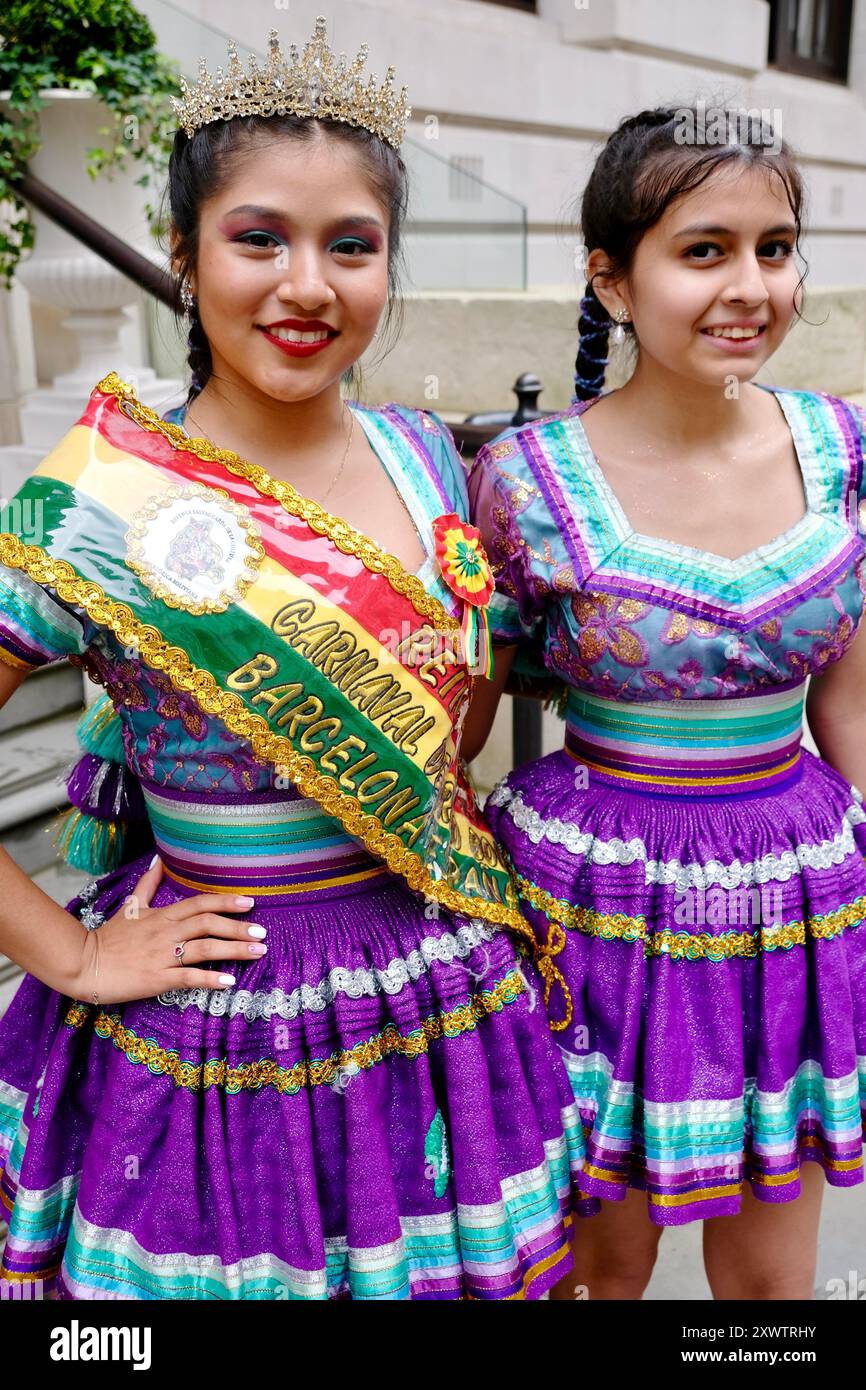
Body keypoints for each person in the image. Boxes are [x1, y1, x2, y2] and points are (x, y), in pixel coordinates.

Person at [0, 19, 584, 1301]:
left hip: (429, 993)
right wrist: (70, 953)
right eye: (257, 237)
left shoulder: (432, 462)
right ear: (181, 255)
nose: (306, 285)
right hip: (212, 1010)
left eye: (350, 245)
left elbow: (458, 709)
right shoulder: (95, 495)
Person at [465, 105, 866, 1301]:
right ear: (612, 278)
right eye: (703, 251)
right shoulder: (520, 481)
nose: (749, 286)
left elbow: (847, 707)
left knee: (769, 1277)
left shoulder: (840, 449)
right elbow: (455, 732)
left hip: (793, 893)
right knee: (600, 1256)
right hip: (588, 903)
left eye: (774, 248)